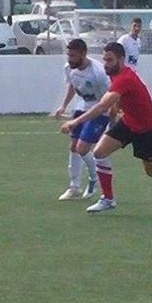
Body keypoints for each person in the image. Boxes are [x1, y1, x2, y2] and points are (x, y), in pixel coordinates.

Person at [60, 42, 152, 215]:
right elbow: (116, 101)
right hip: (128, 123)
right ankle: (108, 199)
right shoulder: (114, 75)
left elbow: (102, 105)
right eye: (104, 60)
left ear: (121, 60)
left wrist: (75, 122)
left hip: (147, 129)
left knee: (151, 169)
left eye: (110, 60)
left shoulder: (125, 78)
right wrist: (115, 112)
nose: (106, 64)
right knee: (99, 152)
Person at [53, 38, 111, 201]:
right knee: (74, 147)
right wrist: (63, 106)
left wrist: (114, 116)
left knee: (82, 148)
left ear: (83, 54)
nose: (69, 59)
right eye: (68, 55)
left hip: (100, 110)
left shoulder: (99, 73)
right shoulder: (69, 68)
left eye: (73, 56)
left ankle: (94, 179)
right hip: (82, 107)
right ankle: (74, 187)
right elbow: (73, 84)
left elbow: (109, 96)